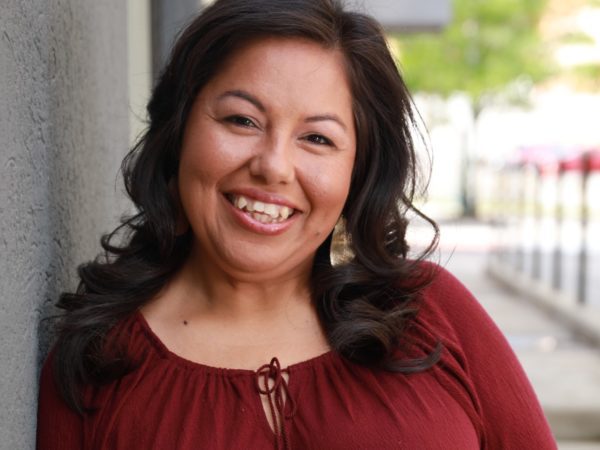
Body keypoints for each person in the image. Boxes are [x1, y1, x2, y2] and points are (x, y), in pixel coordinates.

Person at [37, 0, 557, 448]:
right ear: (178, 132)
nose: (274, 166)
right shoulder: (97, 359)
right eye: (242, 120)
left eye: (318, 139)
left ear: (358, 173)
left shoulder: (432, 314)